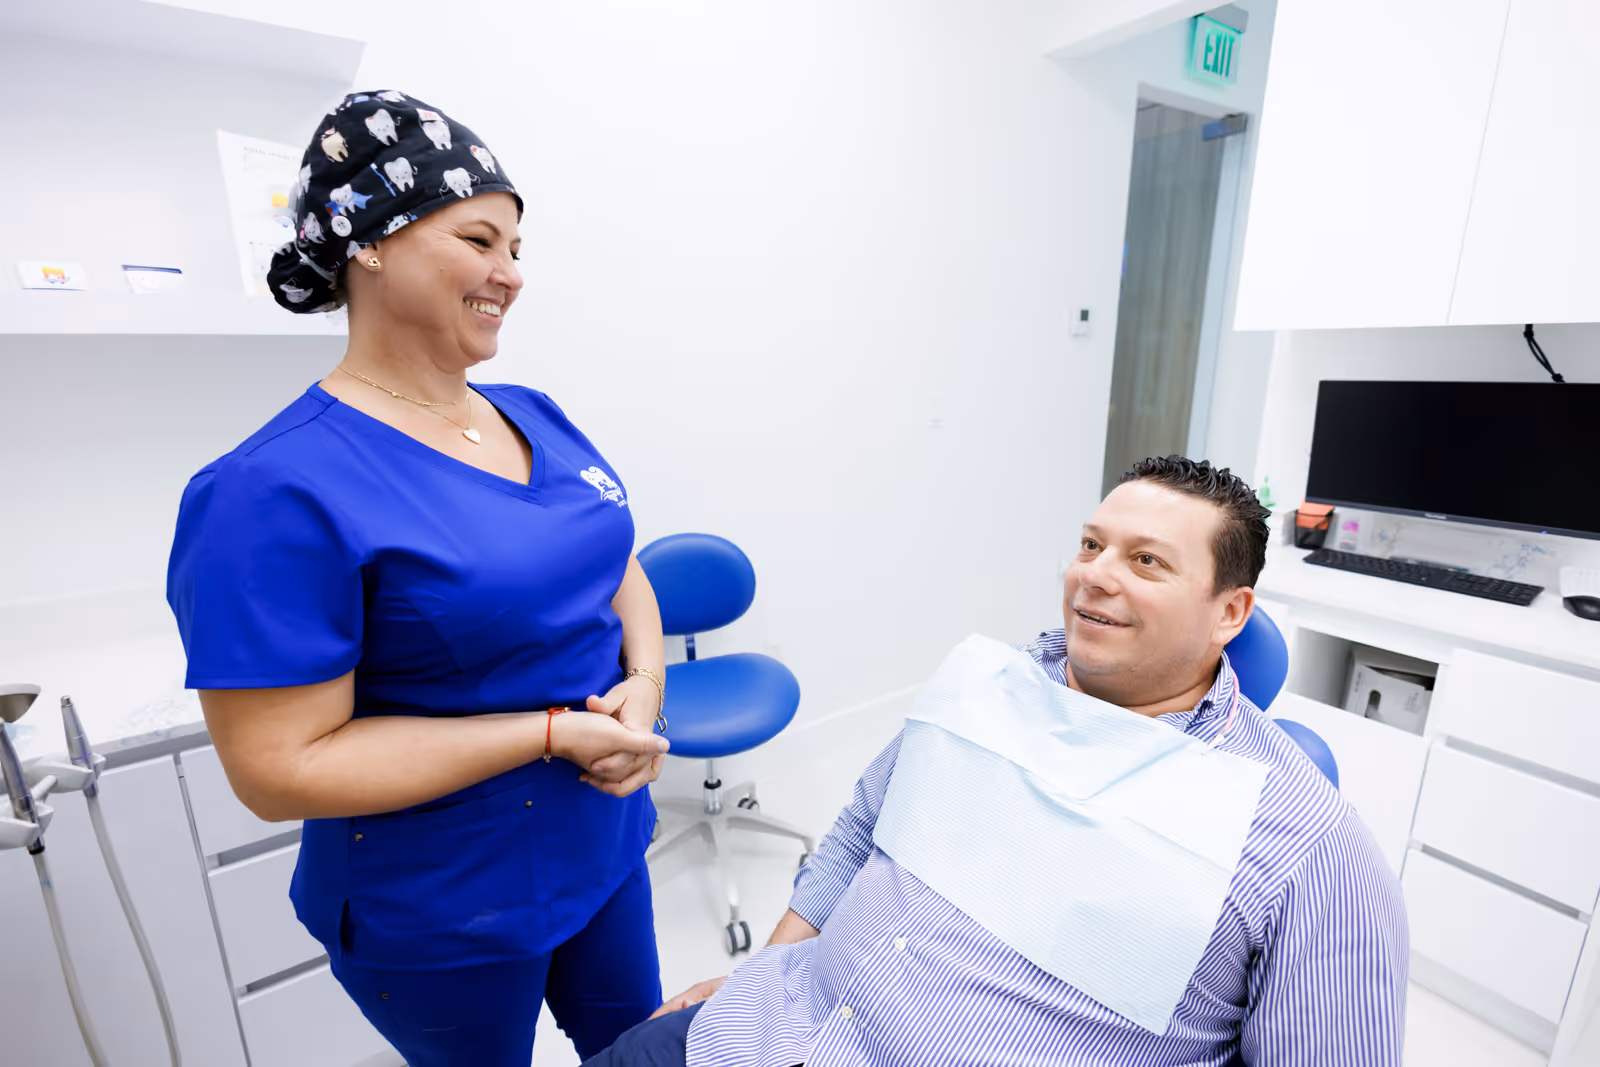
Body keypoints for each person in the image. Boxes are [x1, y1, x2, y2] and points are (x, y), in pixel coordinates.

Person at [584, 456, 1408, 1066]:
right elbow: (858, 831)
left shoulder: (1303, 845)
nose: (1095, 576)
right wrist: (763, 971)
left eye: (1146, 560)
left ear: (1230, 611)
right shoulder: (985, 689)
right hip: (775, 1025)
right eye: (1091, 544)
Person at [166, 91, 673, 1067]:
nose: (510, 273)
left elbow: (616, 569)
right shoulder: (269, 490)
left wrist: (644, 680)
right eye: (480, 237)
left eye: (518, 247)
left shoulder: (537, 414)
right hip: (446, 906)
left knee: (639, 1049)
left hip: (604, 842)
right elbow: (279, 768)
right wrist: (553, 731)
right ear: (370, 241)